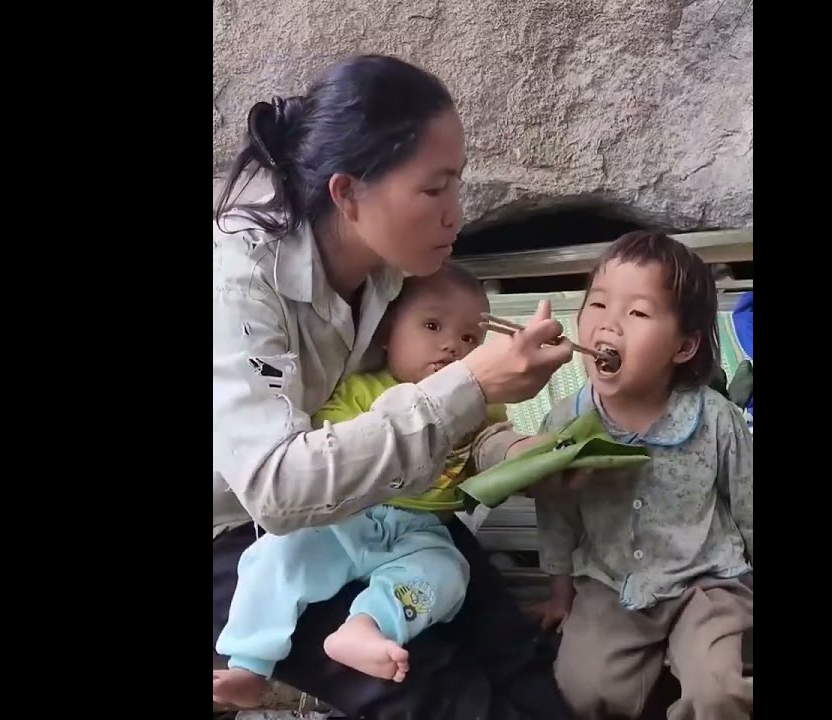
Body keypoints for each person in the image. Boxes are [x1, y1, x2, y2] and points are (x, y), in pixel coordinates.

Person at [212, 54, 575, 720]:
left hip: (381, 504)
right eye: (435, 190)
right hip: (244, 530)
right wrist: (471, 382)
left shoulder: (388, 267)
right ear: (348, 193)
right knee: (433, 690)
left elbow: (457, 412)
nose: (456, 215)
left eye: (457, 185)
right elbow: (275, 489)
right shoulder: (237, 281)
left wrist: (519, 445)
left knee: (509, 647)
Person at [213, 263, 511, 706]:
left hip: (422, 532)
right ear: (388, 334)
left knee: (449, 574)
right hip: (344, 521)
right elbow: (330, 450)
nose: (452, 346)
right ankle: (249, 664)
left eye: (470, 339)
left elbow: (493, 446)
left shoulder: (481, 406)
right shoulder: (360, 390)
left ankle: (367, 627)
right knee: (276, 556)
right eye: (432, 326)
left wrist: (522, 451)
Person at [523, 231, 754, 720]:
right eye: (598, 303)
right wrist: (561, 592)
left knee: (717, 692)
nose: (609, 323)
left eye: (638, 312)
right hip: (610, 583)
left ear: (684, 347)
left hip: (706, 583)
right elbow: (557, 512)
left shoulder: (715, 419)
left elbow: (747, 503)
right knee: (581, 690)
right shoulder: (565, 424)